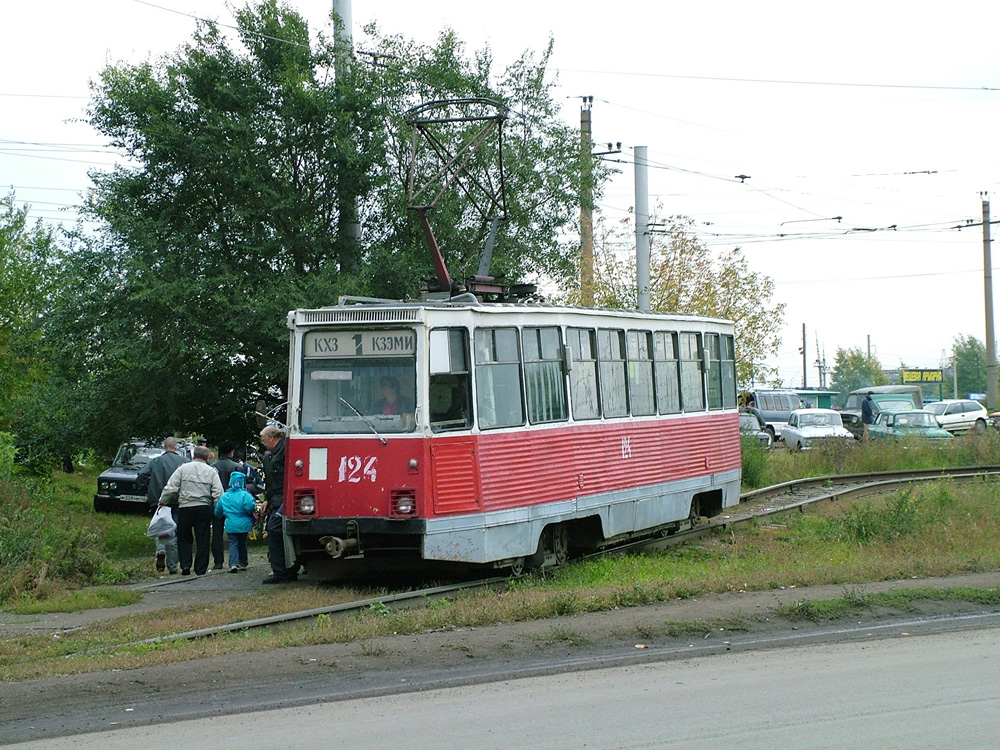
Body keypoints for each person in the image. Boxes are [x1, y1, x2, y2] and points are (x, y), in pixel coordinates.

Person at [159, 445, 224, 576]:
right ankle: (200, 569)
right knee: (203, 539)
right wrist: (218, 508)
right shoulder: (211, 471)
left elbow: (171, 487)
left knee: (184, 538)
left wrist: (163, 500)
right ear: (207, 458)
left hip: (185, 507)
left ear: (193, 455)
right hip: (203, 507)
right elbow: (218, 492)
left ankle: (185, 566)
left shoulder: (183, 468)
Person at [136, 436, 189, 574]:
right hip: (177, 501)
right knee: (174, 532)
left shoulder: (156, 461)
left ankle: (160, 551)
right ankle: (172, 566)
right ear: (176, 447)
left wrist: (146, 490)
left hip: (158, 500)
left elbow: (142, 475)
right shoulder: (183, 462)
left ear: (164, 447)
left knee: (160, 527)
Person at [260, 424, 299, 584]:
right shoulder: (274, 454)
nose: (263, 444)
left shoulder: (284, 451)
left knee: (274, 529)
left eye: (264, 440)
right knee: (277, 530)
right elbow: (271, 481)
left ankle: (281, 571)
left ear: (271, 437)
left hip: (283, 497)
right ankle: (288, 568)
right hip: (276, 498)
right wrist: (267, 498)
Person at [213, 471, 256, 572]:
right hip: (244, 523)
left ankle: (233, 563)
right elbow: (250, 507)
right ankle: (243, 562)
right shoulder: (245, 495)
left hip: (230, 524)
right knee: (242, 542)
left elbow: (218, 511)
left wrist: (219, 515)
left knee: (233, 543)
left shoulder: (225, 496)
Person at [211, 440, 241, 570]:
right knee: (235, 533)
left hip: (217, 503)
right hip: (233, 505)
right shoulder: (237, 467)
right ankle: (236, 560)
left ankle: (218, 561)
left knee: (217, 533)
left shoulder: (212, 467)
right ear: (231, 452)